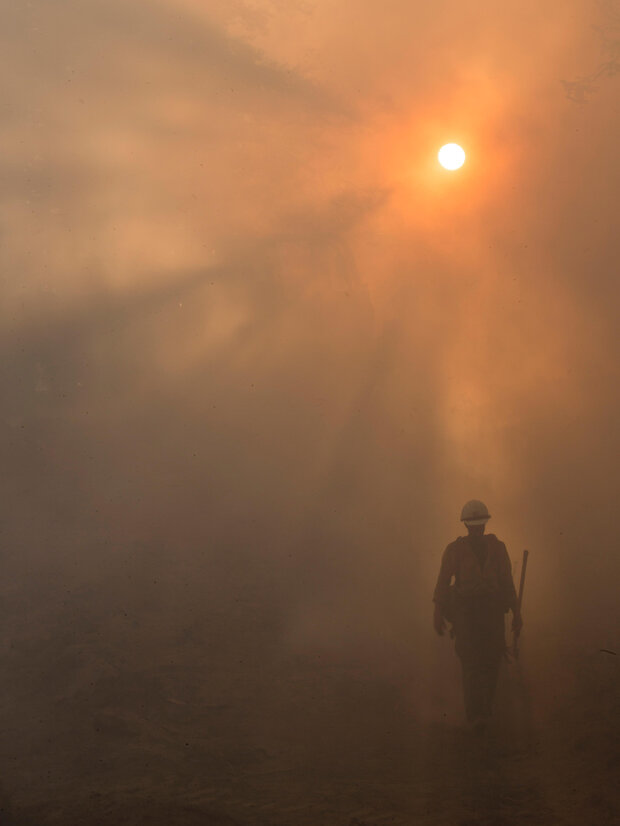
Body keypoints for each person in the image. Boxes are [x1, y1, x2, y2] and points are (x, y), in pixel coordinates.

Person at [433, 500, 523, 732]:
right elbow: (443, 582)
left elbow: (507, 583)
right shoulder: (454, 550)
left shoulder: (498, 548)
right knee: (471, 663)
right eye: (473, 525)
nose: (477, 529)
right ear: (465, 526)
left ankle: (486, 710)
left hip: (492, 611)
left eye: (480, 524)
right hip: (466, 613)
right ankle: (475, 716)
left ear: (484, 525)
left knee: (492, 660)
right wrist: (438, 611)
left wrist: (516, 612)